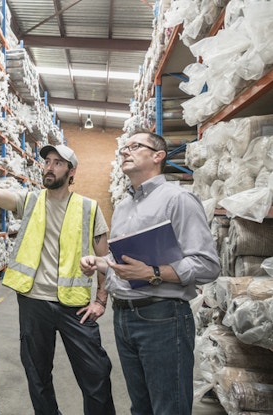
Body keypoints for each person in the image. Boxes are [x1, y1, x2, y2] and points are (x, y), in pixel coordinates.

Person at [0, 128, 115, 415]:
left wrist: (101, 299)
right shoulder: (31, 201)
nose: (49, 167)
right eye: (47, 161)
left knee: (95, 373)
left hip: (76, 305)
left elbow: (104, 258)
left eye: (57, 163)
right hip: (34, 302)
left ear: (71, 172)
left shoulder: (89, 208)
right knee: (37, 376)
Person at [80, 131, 221, 415]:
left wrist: (153, 272)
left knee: (168, 408)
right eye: (124, 148)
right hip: (124, 317)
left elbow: (208, 265)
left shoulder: (178, 199)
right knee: (141, 407)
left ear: (158, 156)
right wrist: (102, 262)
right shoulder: (123, 206)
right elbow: (124, 259)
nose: (125, 152)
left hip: (162, 317)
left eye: (135, 146)